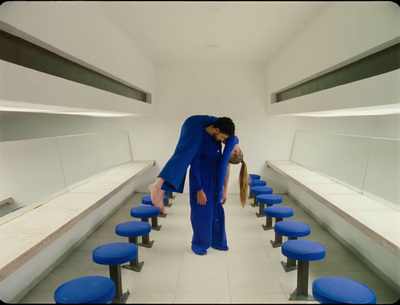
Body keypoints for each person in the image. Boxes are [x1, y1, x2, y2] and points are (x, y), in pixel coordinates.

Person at [149, 115, 235, 212]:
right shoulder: (232, 139)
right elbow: (224, 165)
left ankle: (161, 189)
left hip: (197, 123)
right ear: (217, 130)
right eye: (222, 137)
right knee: (184, 153)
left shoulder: (227, 132)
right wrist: (221, 191)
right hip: (193, 123)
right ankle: (157, 185)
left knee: (185, 158)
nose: (222, 140)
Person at [189, 132, 248, 255]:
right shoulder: (232, 139)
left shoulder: (230, 146)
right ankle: (199, 243)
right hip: (202, 177)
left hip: (214, 177)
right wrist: (199, 189)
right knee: (201, 211)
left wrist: (224, 190)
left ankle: (216, 240)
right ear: (236, 152)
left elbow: (226, 167)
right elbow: (194, 165)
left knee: (216, 210)